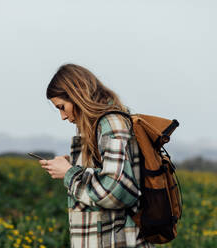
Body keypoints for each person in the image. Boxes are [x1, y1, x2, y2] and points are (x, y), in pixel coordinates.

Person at [39, 64, 155, 248]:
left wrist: (69, 173)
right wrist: (73, 165)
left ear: (78, 96)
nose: (62, 116)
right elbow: (112, 174)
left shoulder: (111, 123)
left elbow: (116, 191)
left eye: (62, 107)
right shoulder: (99, 126)